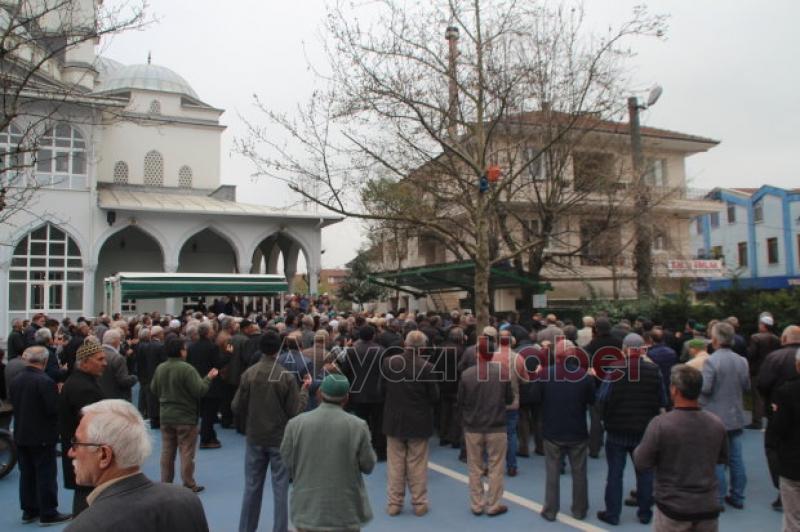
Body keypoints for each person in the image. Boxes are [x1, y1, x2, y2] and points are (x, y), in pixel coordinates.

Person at [64, 399, 210, 532]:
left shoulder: (84, 527)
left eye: (76, 443)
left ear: (104, 455)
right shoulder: (187, 501)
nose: (70, 452)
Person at [233, 329, 311, 532]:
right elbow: (294, 411)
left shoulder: (249, 374)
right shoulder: (285, 377)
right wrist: (304, 391)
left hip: (255, 436)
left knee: (251, 487)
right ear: (278, 349)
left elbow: (236, 406)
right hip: (279, 438)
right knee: (280, 489)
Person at [634, 364, 728, 531]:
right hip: (707, 506)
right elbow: (722, 458)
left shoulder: (661, 424)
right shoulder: (716, 423)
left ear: (674, 390)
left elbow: (641, 461)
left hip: (673, 507)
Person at [280, 373, 376, 532]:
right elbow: (368, 465)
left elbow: (286, 460)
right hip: (345, 512)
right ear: (346, 398)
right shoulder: (358, 426)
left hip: (307, 510)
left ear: (319, 394)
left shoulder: (295, 424)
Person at [596, 333, 663, 525]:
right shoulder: (654, 370)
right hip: (644, 429)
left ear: (624, 349)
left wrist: (604, 419)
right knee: (644, 472)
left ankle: (612, 514)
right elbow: (662, 399)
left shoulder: (614, 369)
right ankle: (645, 513)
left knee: (615, 474)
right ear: (642, 350)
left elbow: (602, 397)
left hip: (616, 429)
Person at [533, 339, 595, 522]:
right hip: (577, 429)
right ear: (574, 355)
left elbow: (535, 397)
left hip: (552, 429)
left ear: (556, 355)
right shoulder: (584, 376)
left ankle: (550, 510)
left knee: (552, 472)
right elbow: (592, 400)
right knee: (580, 473)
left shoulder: (545, 374)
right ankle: (580, 509)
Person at [9, 346, 72, 525]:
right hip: (42, 435)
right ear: (44, 361)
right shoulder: (45, 381)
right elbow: (53, 409)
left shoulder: (16, 380)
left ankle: (29, 511)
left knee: (27, 474)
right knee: (45, 474)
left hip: (21, 433)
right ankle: (48, 513)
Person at [151, 338, 220, 492]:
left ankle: (166, 482)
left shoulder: (160, 368)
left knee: (167, 451)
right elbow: (199, 390)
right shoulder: (187, 369)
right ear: (181, 351)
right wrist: (208, 378)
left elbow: (154, 388)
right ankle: (188, 484)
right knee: (186, 451)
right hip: (185, 417)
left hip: (166, 416)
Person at [382, 330, 439, 517]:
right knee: (418, 464)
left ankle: (394, 503)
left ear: (405, 344)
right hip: (419, 420)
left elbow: (382, 389)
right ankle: (419, 502)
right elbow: (434, 396)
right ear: (422, 348)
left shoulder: (389, 363)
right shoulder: (427, 367)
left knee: (395, 464)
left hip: (394, 419)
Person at [457, 334, 513, 517]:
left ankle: (477, 504)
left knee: (474, 467)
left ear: (477, 354)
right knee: (496, 466)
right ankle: (493, 504)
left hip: (473, 426)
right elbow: (509, 399)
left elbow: (460, 401)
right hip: (496, 425)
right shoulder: (502, 372)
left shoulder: (467, 374)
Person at [701, 321, 750, 510]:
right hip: (735, 414)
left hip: (715, 416)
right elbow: (746, 386)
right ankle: (738, 495)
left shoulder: (711, 361)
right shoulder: (742, 361)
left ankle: (718, 498)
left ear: (715, 339)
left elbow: (706, 388)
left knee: (717, 459)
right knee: (736, 458)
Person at [58, 339, 107, 515]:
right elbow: (92, 426)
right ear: (85, 363)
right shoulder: (84, 388)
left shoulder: (78, 381)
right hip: (87, 451)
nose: (104, 363)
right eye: (100, 359)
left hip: (80, 449)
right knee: (87, 496)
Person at [758, 325, 800, 511]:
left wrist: (771, 401)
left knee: (774, 447)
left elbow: (762, 384)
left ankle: (784, 489)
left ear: (784, 339)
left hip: (779, 411)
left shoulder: (774, 357)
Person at [340, 325, 387, 461]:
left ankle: (361, 452)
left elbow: (345, 371)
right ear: (373, 335)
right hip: (377, 392)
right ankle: (381, 451)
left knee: (360, 423)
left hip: (358, 392)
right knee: (378, 423)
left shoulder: (352, 351)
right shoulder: (381, 350)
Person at [770, 347, 800, 532]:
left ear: (798, 365)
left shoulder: (786, 391)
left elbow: (778, 429)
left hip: (792, 462)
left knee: (792, 518)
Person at [187, 321, 225, 449]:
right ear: (208, 333)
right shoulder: (212, 347)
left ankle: (210, 436)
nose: (214, 332)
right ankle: (205, 439)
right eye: (212, 330)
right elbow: (218, 364)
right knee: (209, 413)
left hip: (197, 381)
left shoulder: (192, 346)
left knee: (204, 412)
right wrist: (228, 355)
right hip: (211, 383)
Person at [747, 312, 781, 430]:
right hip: (772, 371)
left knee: (757, 396)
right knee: (770, 396)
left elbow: (751, 354)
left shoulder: (755, 337)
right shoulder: (776, 339)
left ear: (763, 325)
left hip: (757, 371)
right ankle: (771, 418)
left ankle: (757, 421)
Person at [99, 329, 138, 401]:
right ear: (115, 341)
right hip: (117, 398)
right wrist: (134, 378)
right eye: (119, 341)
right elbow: (124, 381)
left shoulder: (96, 354)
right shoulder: (118, 358)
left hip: (101, 396)